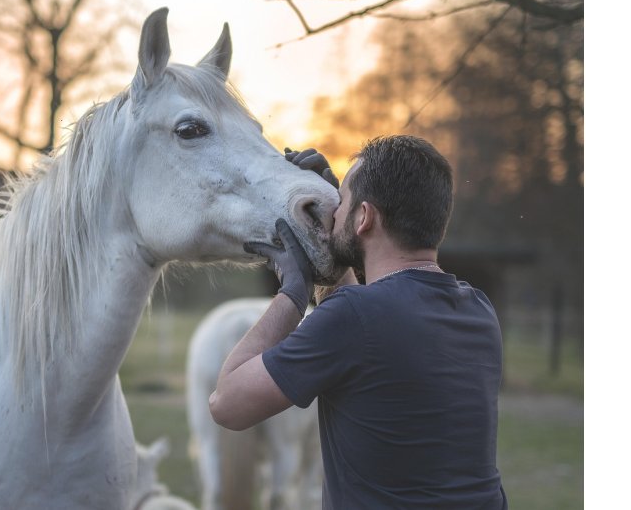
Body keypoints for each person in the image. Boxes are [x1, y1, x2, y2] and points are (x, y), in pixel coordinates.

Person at [209, 135, 508, 509]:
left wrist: (293, 293)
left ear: (364, 217)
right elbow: (364, 323)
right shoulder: (478, 310)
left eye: (343, 204)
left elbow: (227, 404)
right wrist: (333, 235)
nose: (335, 213)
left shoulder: (355, 317)